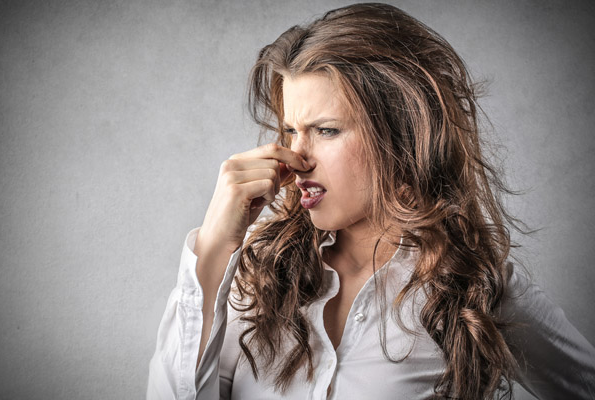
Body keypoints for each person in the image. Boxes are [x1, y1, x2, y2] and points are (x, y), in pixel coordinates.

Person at [147, 3, 595, 399]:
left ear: (398, 134)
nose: (296, 159)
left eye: (326, 130)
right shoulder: (255, 275)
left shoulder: (474, 288)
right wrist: (212, 251)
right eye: (289, 132)